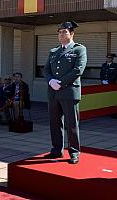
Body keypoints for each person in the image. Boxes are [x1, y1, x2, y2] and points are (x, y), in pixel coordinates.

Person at [43, 21, 87, 164]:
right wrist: (50, 81)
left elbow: (78, 70)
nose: (61, 34)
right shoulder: (54, 51)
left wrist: (60, 83)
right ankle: (57, 149)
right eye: (59, 32)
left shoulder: (79, 49)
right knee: (54, 123)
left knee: (71, 124)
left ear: (72, 33)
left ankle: (74, 152)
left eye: (64, 32)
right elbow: (46, 70)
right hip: (53, 92)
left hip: (69, 91)